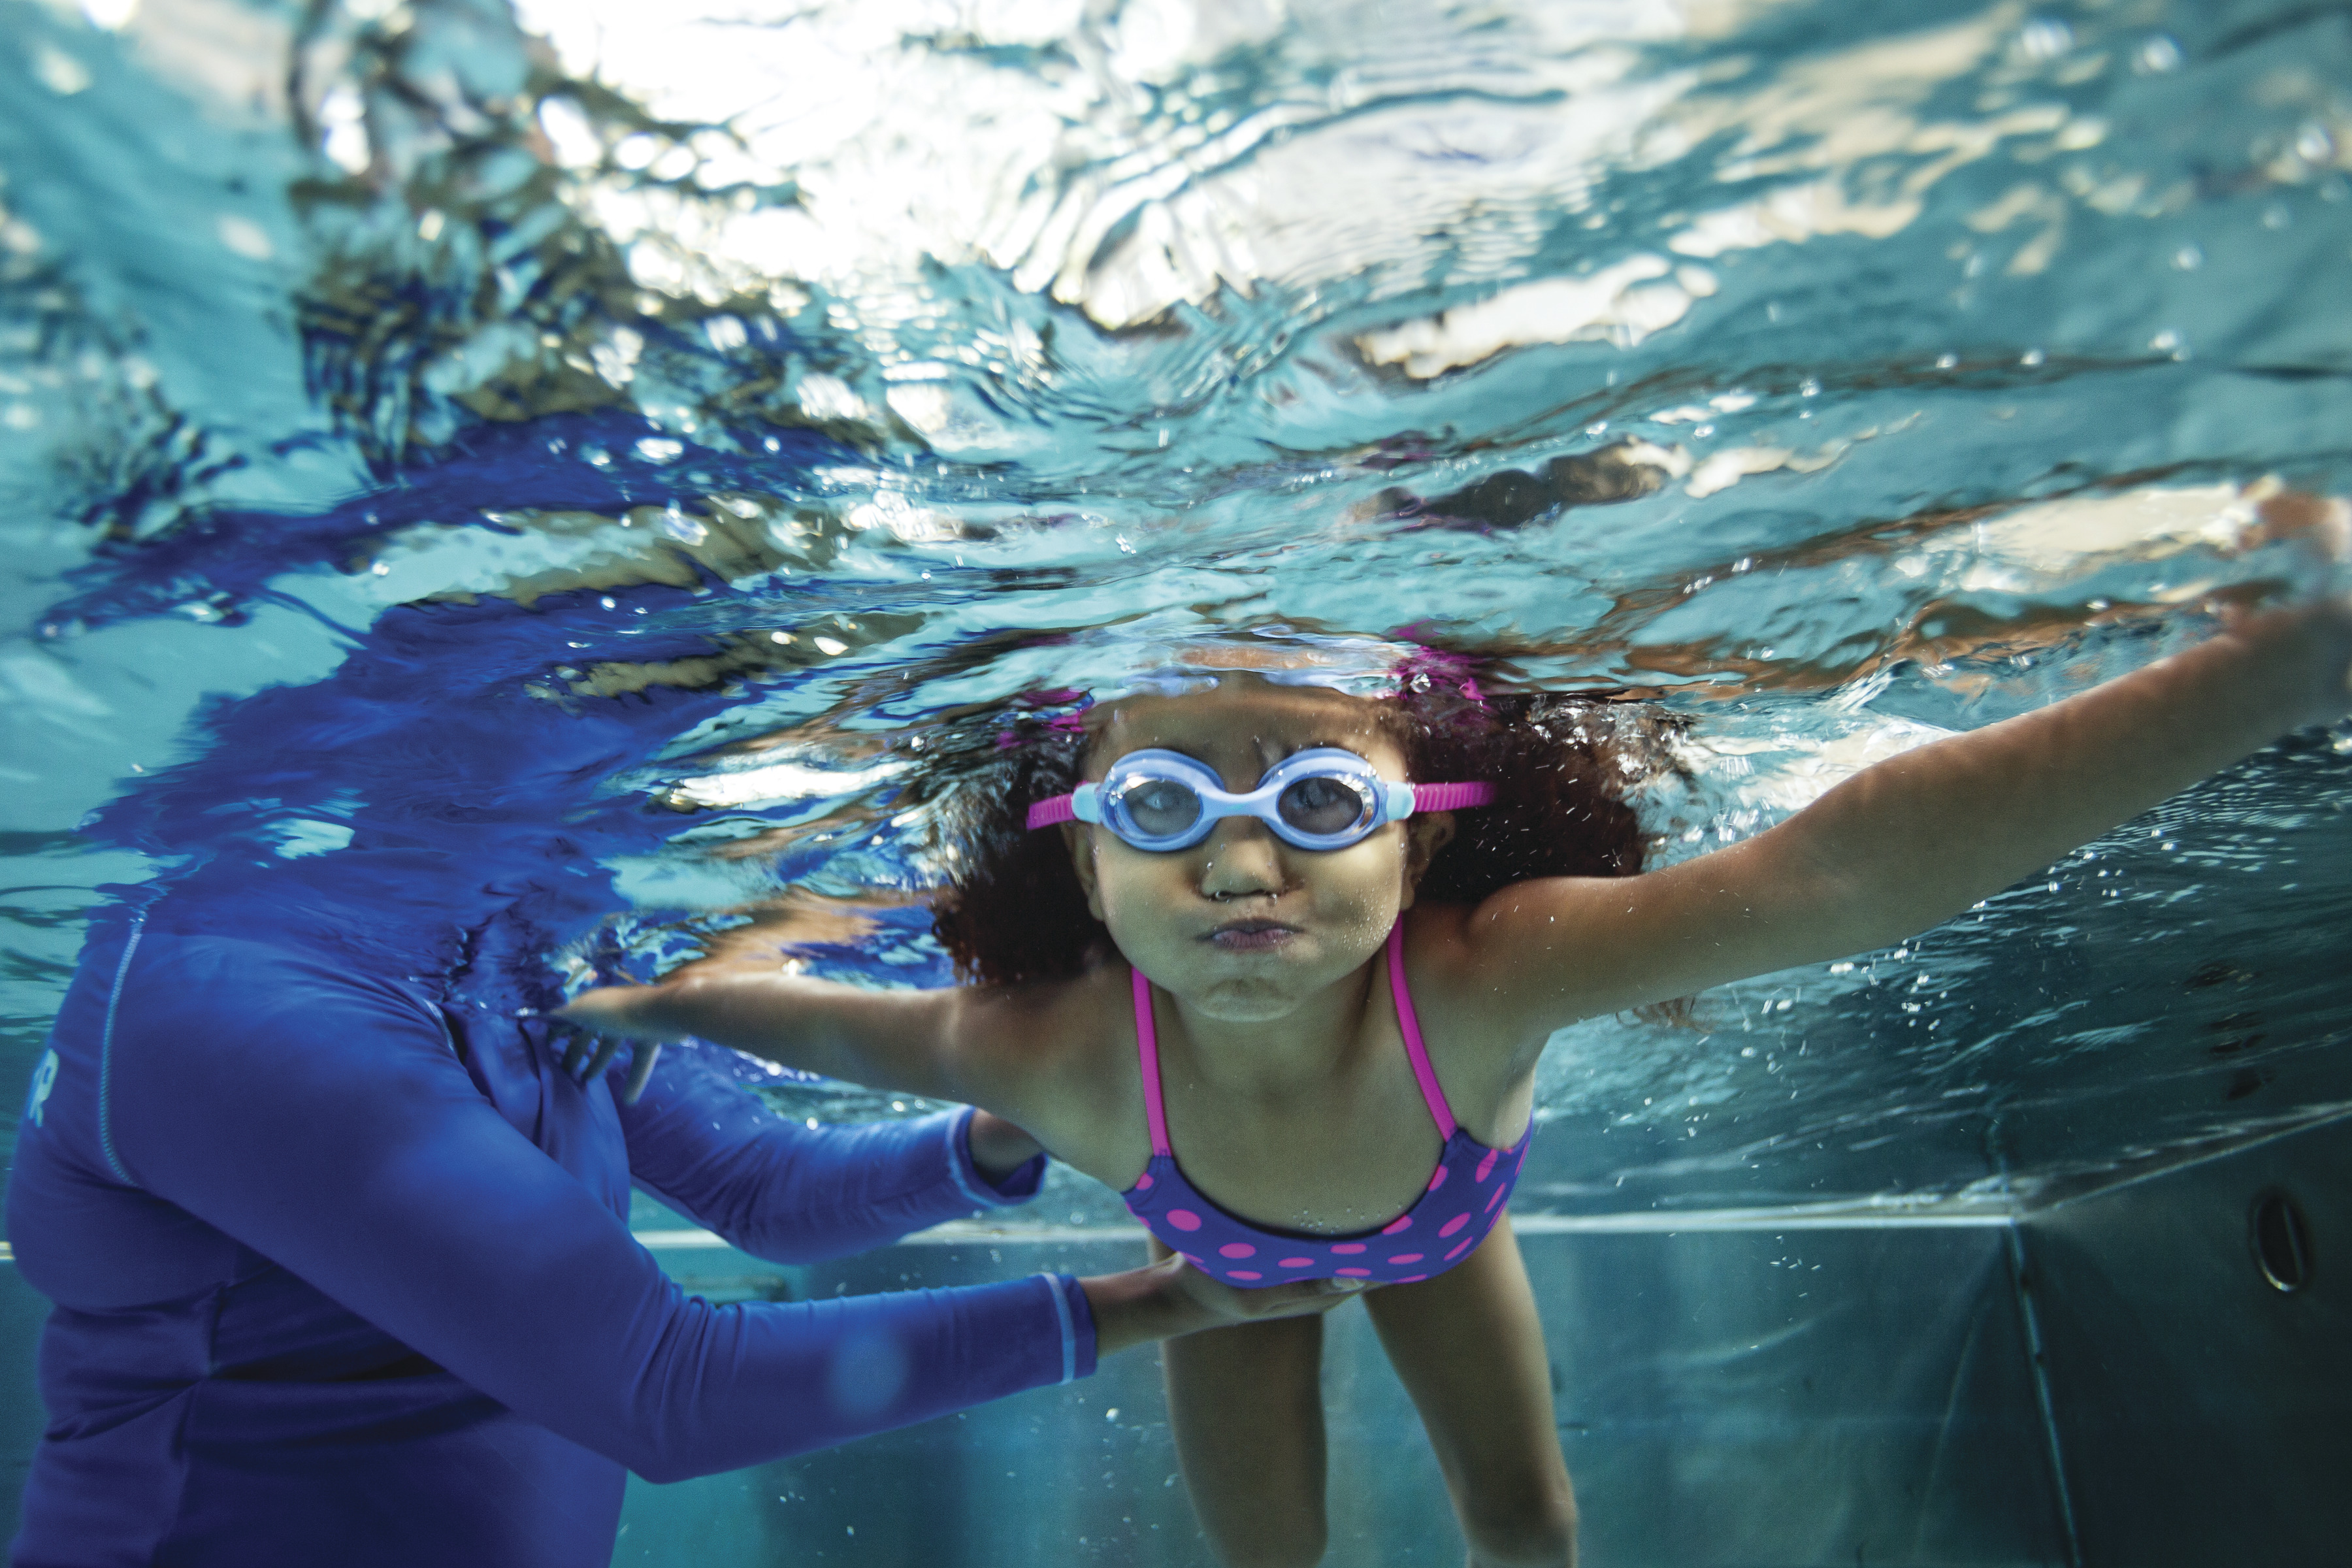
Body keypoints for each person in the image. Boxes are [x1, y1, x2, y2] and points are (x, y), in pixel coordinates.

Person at [565, 579, 2352, 1568]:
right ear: (1085, 870)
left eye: (1321, 799)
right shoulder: (1067, 1051)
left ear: (1418, 840)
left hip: (1439, 1237)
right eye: (1163, 806)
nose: (1241, 865)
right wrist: (656, 1009)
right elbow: (829, 1027)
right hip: (1220, 1282)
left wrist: (2260, 673)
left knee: (1526, 1521)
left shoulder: (1481, 981)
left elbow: (1836, 873)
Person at [5, 848, 1354, 1568]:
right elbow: (666, 1389)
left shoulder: (514, 956)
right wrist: (1154, 1304)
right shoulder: (227, 980)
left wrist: (1027, 1110)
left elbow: (762, 1191)